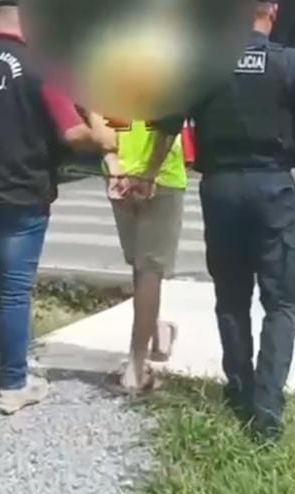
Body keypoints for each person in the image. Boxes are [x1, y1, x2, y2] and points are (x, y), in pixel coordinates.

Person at [154, 0, 295, 441]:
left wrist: (145, 175)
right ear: (272, 12)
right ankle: (267, 410)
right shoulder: (291, 63)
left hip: (220, 190)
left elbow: (166, 125)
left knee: (231, 296)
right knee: (283, 300)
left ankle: (239, 390)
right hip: (272, 190)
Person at [0, 0, 118, 415]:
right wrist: (103, 135)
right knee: (15, 287)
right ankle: (15, 383)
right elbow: (73, 135)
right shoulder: (41, 69)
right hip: (23, 193)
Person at [100, 115, 187, 393]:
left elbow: (91, 113)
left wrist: (112, 162)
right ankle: (136, 369)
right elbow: (170, 122)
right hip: (161, 175)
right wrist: (150, 171)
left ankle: (157, 332)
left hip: (119, 173)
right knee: (149, 270)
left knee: (142, 267)